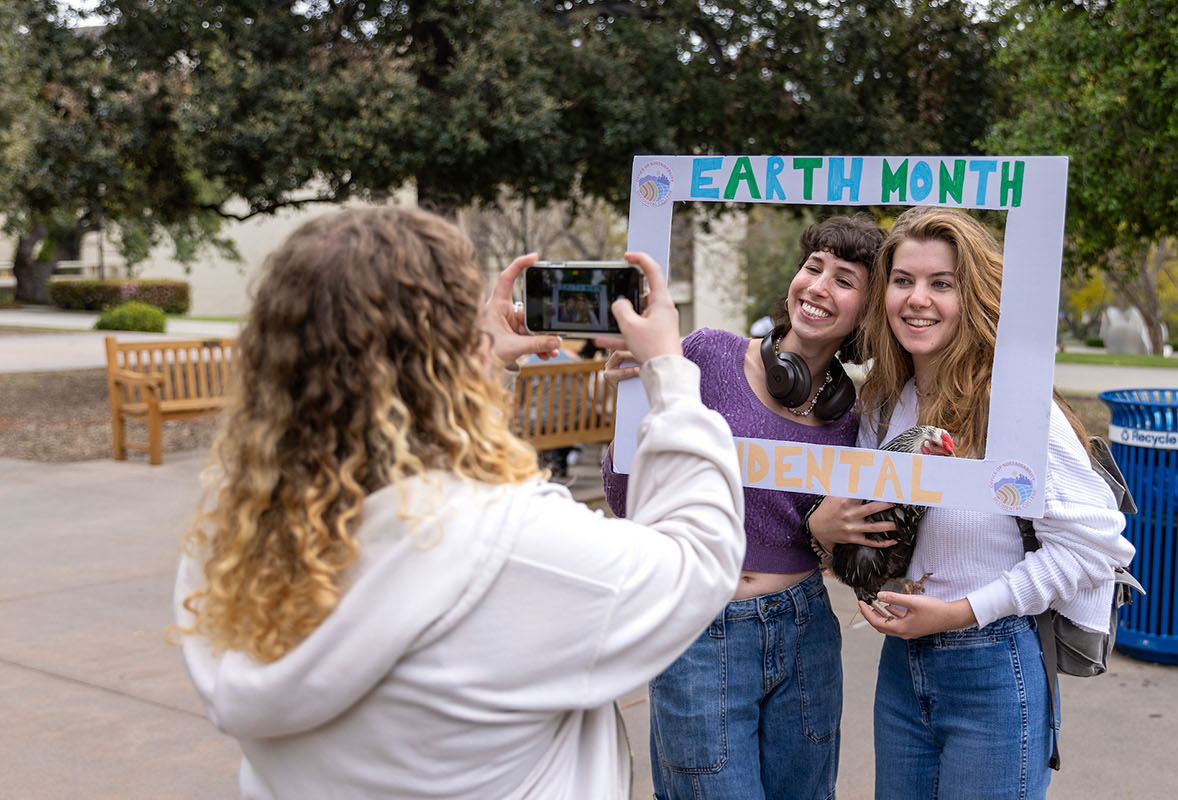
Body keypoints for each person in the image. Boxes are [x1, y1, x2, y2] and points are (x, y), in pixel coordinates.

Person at [170, 207, 746, 799]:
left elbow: (417, 453)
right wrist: (670, 377)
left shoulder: (234, 526)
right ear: (447, 357)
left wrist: (475, 368)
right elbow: (698, 559)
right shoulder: (513, 545)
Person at [807, 207, 1135, 799]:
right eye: (903, 281)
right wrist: (830, 529)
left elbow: (1098, 546)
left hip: (993, 668)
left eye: (942, 284)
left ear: (974, 295)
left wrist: (963, 610)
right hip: (901, 672)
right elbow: (866, 530)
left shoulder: (1010, 403)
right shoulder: (885, 404)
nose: (917, 300)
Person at [601, 214, 887, 799]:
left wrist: (822, 535)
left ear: (867, 309)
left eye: (844, 280)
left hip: (805, 625)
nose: (818, 287)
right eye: (813, 268)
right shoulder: (706, 356)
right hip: (701, 625)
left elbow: (831, 540)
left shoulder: (851, 421)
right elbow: (628, 501)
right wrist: (629, 420)